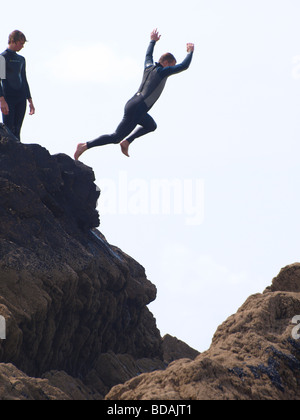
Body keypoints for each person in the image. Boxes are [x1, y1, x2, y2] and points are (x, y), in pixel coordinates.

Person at [74, 29, 194, 160]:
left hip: (133, 104)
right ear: (166, 63)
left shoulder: (148, 66)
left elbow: (148, 55)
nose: (171, 70)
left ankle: (126, 142)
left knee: (151, 125)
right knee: (115, 137)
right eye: (171, 66)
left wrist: (152, 41)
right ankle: (85, 145)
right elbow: (184, 66)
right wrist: (190, 52)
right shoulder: (162, 72)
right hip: (138, 107)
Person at [0, 30, 35, 141]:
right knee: (8, 130)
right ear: (13, 41)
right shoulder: (2, 58)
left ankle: (18, 156)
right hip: (8, 98)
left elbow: (24, 79)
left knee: (17, 129)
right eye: (21, 43)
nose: (22, 46)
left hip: (21, 98)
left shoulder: (21, 59)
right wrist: (2, 100)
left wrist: (30, 100)